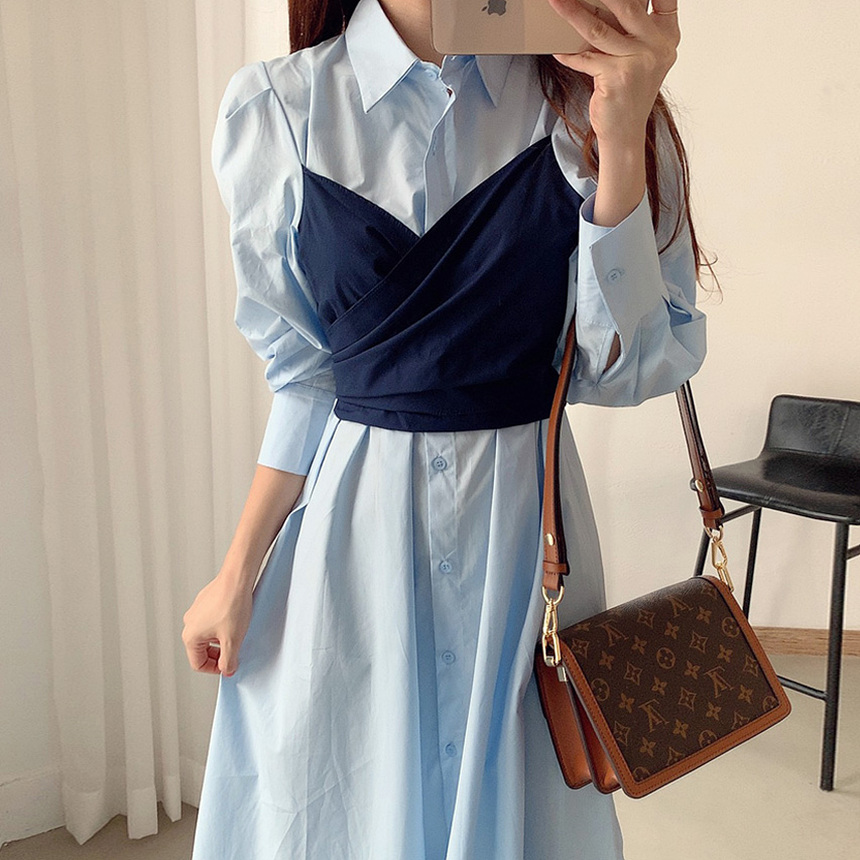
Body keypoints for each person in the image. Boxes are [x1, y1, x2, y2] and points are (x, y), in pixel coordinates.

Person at [182, 0, 707, 857]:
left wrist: (621, 143)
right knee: (352, 807)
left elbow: (630, 369)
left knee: (526, 806)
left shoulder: (588, 95)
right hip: (356, 550)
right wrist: (237, 572)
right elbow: (308, 377)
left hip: (527, 544)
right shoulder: (278, 107)